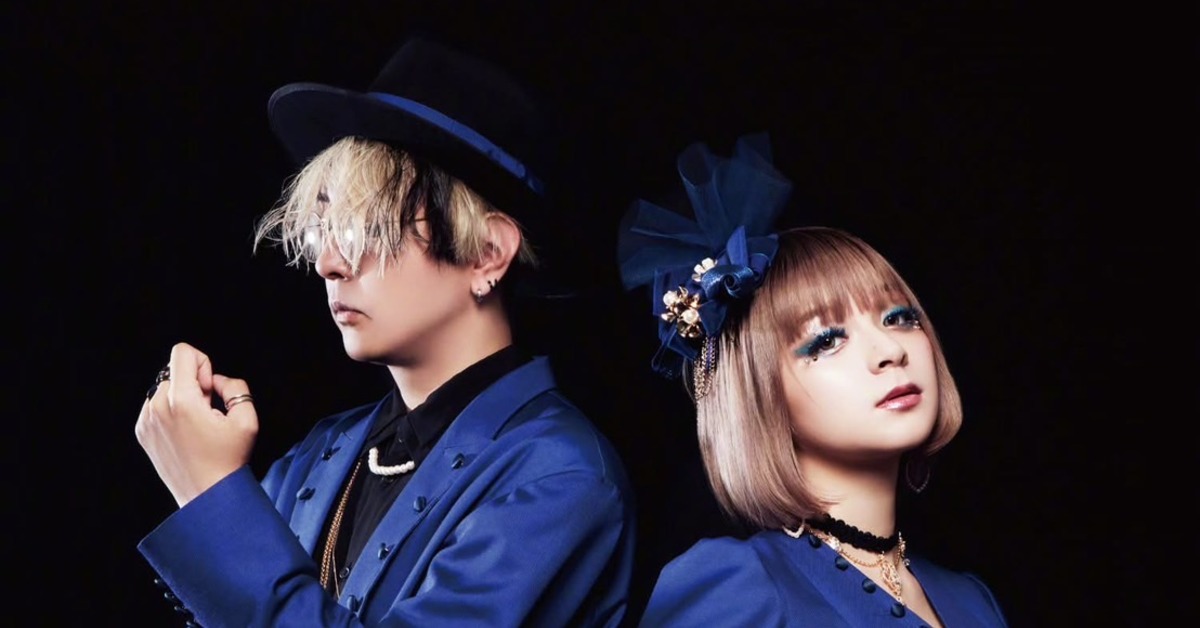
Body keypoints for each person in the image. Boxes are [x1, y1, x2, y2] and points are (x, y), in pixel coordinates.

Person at [135, 36, 635, 627]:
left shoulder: (560, 477)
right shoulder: (319, 454)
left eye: (368, 226)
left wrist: (212, 494)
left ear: (488, 252)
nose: (329, 263)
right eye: (324, 229)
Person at [617, 133, 1009, 627]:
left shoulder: (972, 601)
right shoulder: (742, 587)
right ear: (760, 394)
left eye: (899, 317)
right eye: (826, 340)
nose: (890, 352)